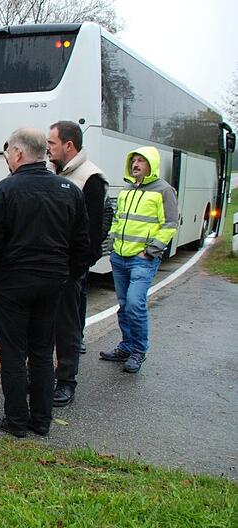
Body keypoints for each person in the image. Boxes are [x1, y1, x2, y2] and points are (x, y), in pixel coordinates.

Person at [0, 128, 89, 438]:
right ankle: (41, 419)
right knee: (42, 351)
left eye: (9, 154)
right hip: (53, 283)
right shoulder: (68, 189)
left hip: (12, 284)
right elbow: (82, 245)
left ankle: (16, 419)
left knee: (13, 353)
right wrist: (68, 277)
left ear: (18, 153)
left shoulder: (7, 189)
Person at [46, 121, 108, 407]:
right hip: (47, 265)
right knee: (44, 326)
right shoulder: (52, 172)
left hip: (69, 269)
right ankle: (45, 376)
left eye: (52, 143)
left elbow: (93, 231)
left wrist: (77, 268)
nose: (48, 148)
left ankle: (66, 382)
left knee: (68, 328)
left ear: (69, 145)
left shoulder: (90, 178)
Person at [99, 147, 178, 374]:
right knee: (124, 305)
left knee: (135, 303)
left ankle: (138, 351)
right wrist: (113, 242)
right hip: (120, 257)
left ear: (151, 164)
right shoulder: (127, 190)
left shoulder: (164, 190)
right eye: (133, 160)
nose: (135, 164)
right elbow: (118, 219)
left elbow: (170, 224)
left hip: (142, 259)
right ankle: (126, 346)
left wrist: (151, 250)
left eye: (140, 161)